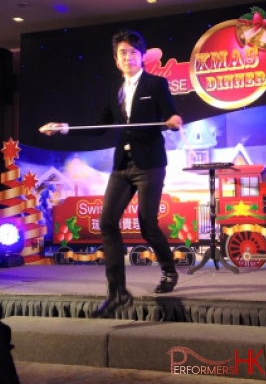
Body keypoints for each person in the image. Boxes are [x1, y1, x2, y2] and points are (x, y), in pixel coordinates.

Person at [40, 29, 183, 318]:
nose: (128, 57)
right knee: (106, 223)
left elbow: (171, 113)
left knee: (147, 225)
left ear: (142, 56)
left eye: (133, 52)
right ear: (116, 60)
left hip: (150, 163)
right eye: (122, 53)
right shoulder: (113, 90)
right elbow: (100, 125)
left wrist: (173, 120)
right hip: (122, 165)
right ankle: (117, 291)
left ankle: (169, 270)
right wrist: (64, 128)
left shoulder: (156, 84)